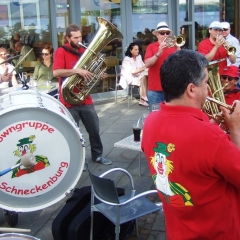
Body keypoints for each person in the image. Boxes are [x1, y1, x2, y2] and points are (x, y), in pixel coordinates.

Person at [141, 49, 240, 239]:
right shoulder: (211, 137)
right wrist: (235, 129)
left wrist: (209, 127)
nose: (209, 90)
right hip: (218, 233)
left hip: (177, 229)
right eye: (205, 83)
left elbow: (182, 151)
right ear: (191, 89)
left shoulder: (150, 122)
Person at [53, 24, 112, 166]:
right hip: (68, 99)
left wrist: (97, 75)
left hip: (85, 98)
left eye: (80, 37)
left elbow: (88, 74)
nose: (79, 40)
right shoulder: (61, 52)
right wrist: (77, 71)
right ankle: (79, 161)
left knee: (94, 130)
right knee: (74, 134)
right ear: (68, 38)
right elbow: (56, 72)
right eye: (75, 38)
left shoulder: (85, 51)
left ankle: (97, 155)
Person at [144, 22, 180, 109]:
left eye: (167, 33)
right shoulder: (151, 47)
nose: (165, 35)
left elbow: (181, 63)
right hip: (155, 89)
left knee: (172, 117)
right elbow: (147, 64)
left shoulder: (173, 47)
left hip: (171, 88)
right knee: (155, 117)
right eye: (162, 33)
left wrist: (178, 47)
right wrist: (159, 53)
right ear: (157, 35)